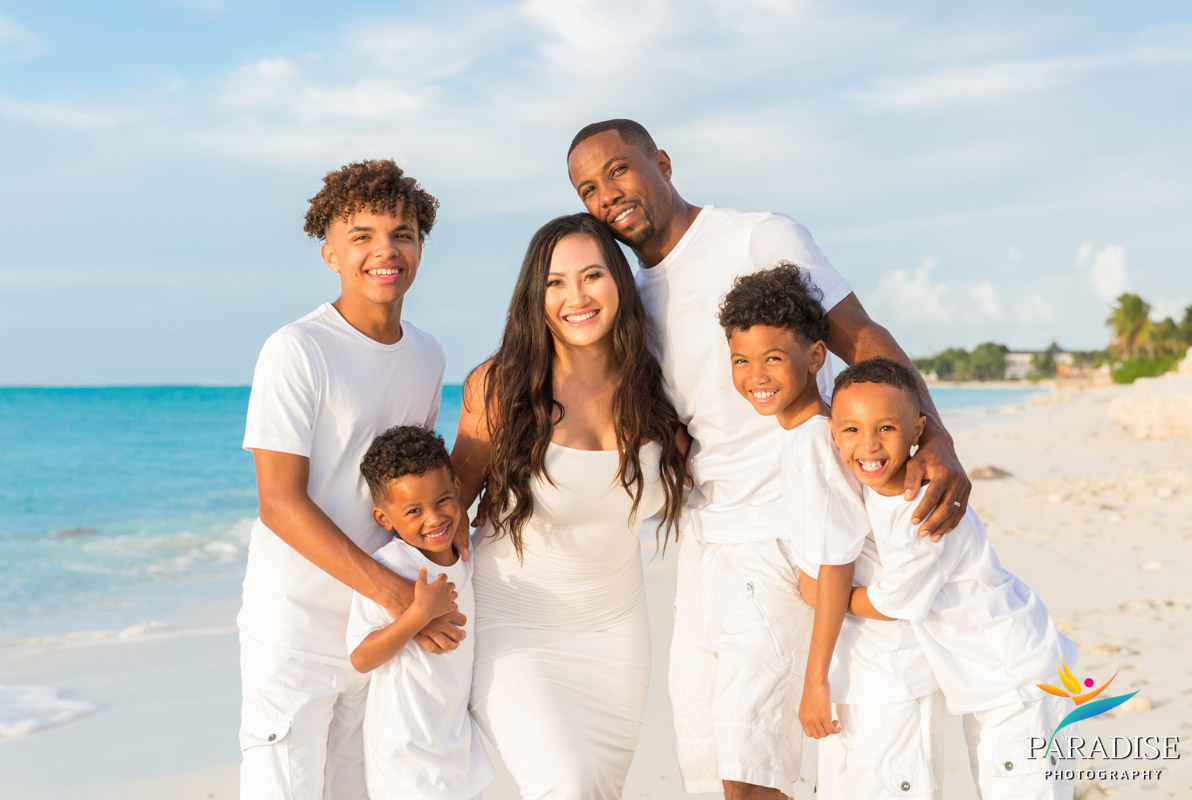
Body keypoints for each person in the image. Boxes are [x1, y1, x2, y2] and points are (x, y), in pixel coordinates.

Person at [566, 118, 970, 798]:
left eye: (619, 171)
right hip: (703, 539)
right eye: (588, 189)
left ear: (661, 160)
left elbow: (861, 337)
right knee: (705, 751)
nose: (608, 195)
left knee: (750, 764)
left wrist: (936, 438)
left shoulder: (758, 237)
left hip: (780, 534)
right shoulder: (630, 297)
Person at [239, 159, 462, 799]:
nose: (384, 251)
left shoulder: (428, 356)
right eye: (361, 235)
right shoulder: (296, 349)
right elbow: (280, 504)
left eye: (403, 232)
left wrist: (445, 571)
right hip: (295, 631)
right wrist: (400, 599)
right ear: (329, 252)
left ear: (421, 245)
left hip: (376, 634)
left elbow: (410, 497)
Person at [451, 213, 690, 799]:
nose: (574, 297)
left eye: (591, 276)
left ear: (620, 284)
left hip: (617, 632)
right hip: (514, 626)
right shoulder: (500, 385)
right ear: (536, 294)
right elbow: (450, 508)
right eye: (555, 282)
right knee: (566, 785)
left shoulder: (659, 386)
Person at [719, 266, 944, 799]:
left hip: (884, 670)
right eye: (741, 361)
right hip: (867, 666)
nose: (757, 375)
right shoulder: (820, 433)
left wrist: (814, 681)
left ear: (816, 357)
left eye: (773, 358)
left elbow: (836, 565)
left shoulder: (814, 446)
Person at [827, 357, 1078, 800]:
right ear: (833, 434)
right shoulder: (873, 493)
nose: (868, 444)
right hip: (988, 680)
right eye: (851, 430)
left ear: (919, 431)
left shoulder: (924, 505)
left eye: (885, 428)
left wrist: (827, 595)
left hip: (1016, 679)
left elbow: (894, 602)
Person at [348, 426, 493, 800]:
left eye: (443, 500)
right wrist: (417, 615)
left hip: (457, 745)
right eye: (414, 511)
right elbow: (362, 658)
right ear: (384, 518)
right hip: (405, 754)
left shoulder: (465, 555)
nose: (433, 519)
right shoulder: (391, 566)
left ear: (458, 490)